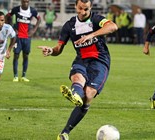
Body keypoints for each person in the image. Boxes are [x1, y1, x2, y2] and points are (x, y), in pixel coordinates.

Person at [38, 0, 117, 139]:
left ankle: (69, 122)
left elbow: (113, 26)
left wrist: (92, 35)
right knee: (77, 78)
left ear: (90, 8)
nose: (82, 12)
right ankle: (66, 129)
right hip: (81, 59)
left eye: (86, 9)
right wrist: (51, 50)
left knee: (89, 94)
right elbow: (58, 49)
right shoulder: (69, 25)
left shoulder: (96, 19)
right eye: (80, 8)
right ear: (75, 6)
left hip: (100, 61)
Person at [6, 0, 41, 82]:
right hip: (17, 37)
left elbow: (39, 19)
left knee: (26, 56)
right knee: (16, 55)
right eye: (24, 2)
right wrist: (11, 28)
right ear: (21, 2)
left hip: (27, 38)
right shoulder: (16, 9)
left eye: (27, 2)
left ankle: (24, 75)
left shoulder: (32, 10)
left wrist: (33, 30)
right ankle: (15, 76)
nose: (25, 3)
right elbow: (7, 16)